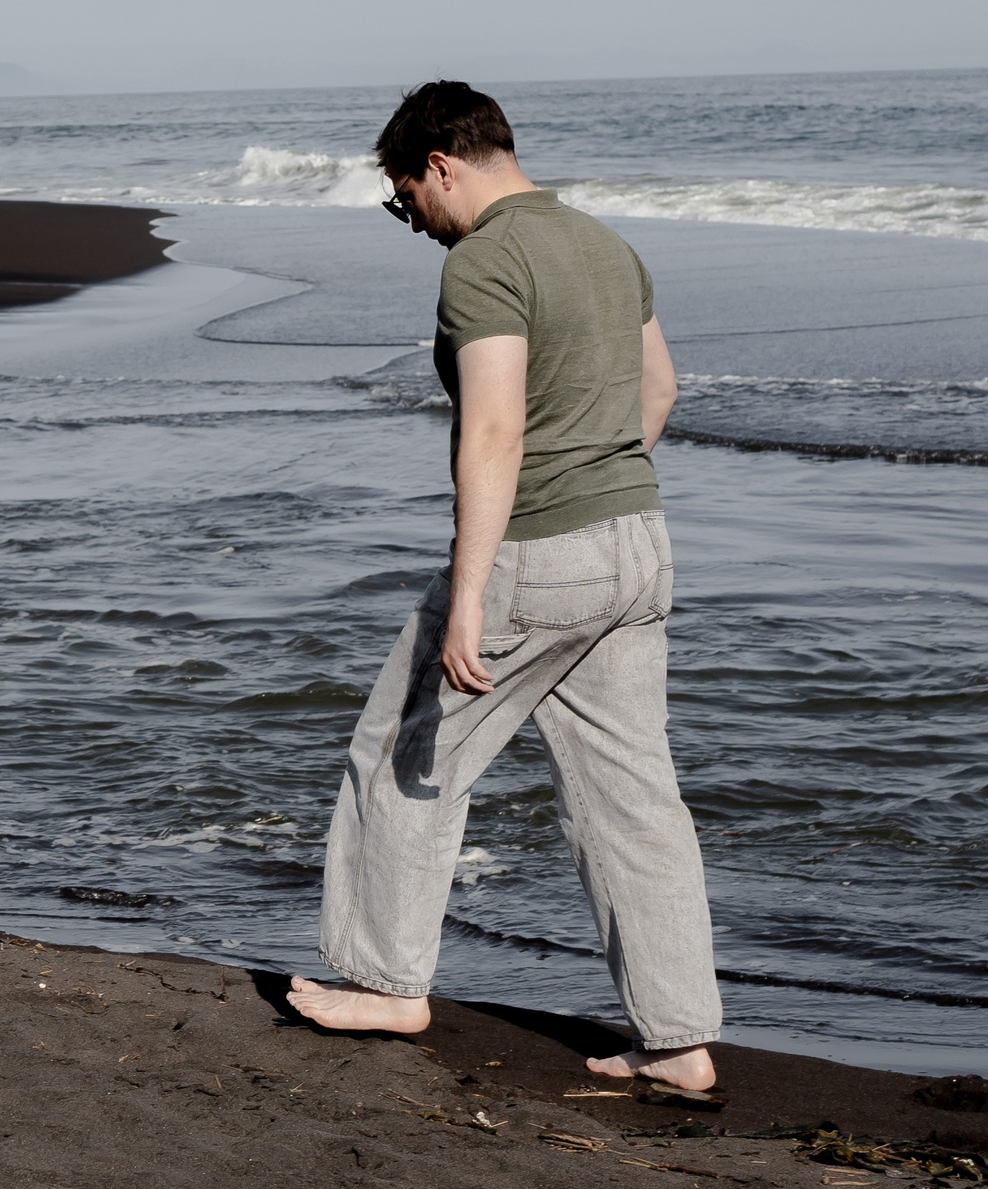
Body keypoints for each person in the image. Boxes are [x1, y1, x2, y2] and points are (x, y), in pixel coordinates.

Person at [288, 82, 721, 1091]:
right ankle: (679, 1041)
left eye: (406, 202)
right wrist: (596, 483)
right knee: (631, 799)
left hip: (536, 551)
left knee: (402, 751)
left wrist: (473, 590)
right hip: (637, 542)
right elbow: (658, 392)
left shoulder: (486, 262)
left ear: (438, 164)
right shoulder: (603, 245)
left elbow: (491, 428)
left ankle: (388, 983)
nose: (416, 224)